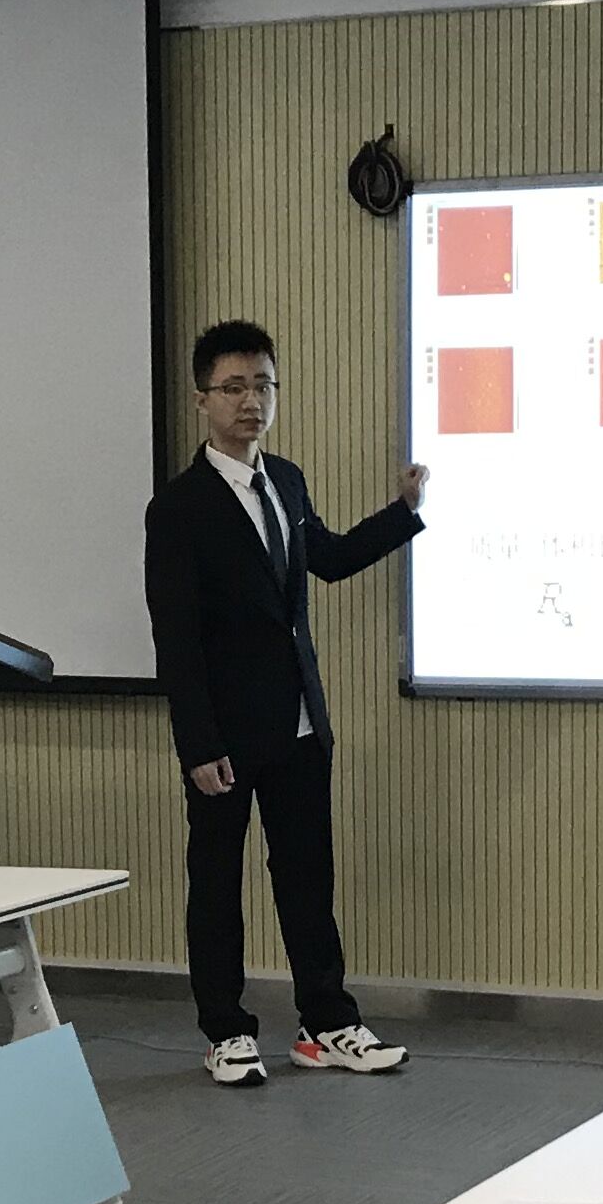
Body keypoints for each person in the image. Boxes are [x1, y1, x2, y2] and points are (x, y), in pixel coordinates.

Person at [142, 318, 426, 1088]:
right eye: (234, 387)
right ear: (202, 399)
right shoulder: (179, 508)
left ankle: (326, 1023)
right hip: (225, 737)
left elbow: (326, 559)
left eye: (263, 385)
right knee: (217, 885)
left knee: (307, 880)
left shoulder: (286, 481)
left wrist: (402, 512)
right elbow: (176, 636)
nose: (251, 401)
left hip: (299, 721)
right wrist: (197, 744)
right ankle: (226, 1031)